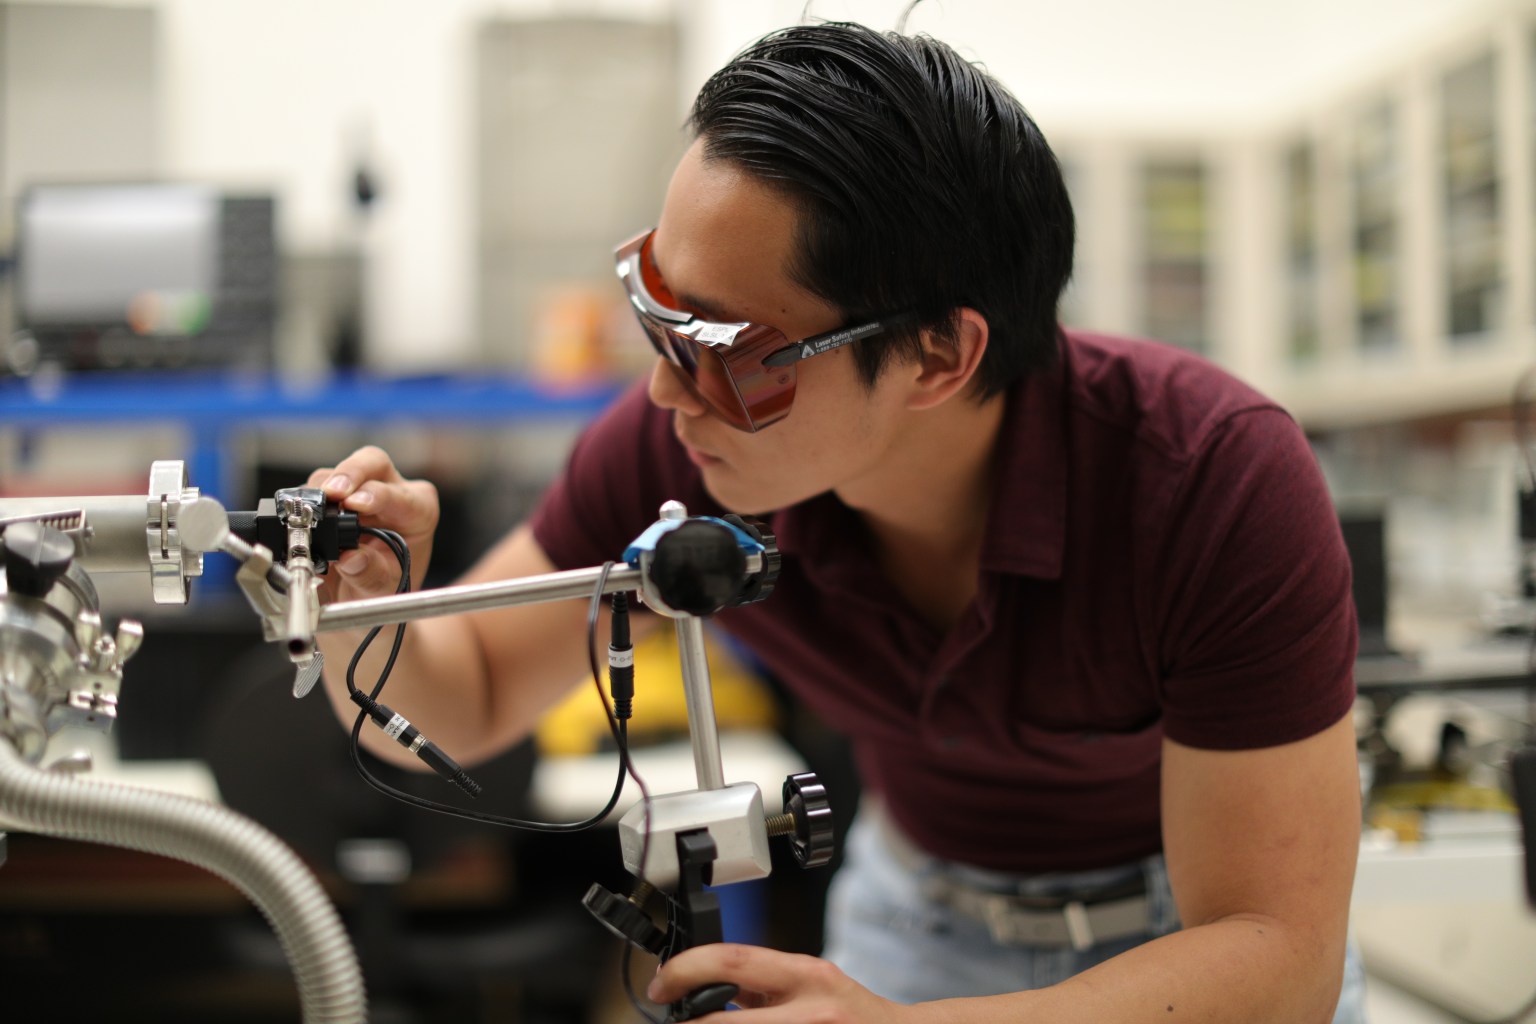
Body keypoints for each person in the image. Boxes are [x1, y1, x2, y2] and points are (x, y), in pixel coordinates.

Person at [310, 20, 1366, 1023]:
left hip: (1187, 946)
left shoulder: (1209, 481)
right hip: (919, 913)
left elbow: (1279, 956)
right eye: (655, 307)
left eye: (727, 348)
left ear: (940, 357)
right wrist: (367, 606)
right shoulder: (679, 448)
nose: (668, 391)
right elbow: (474, 694)